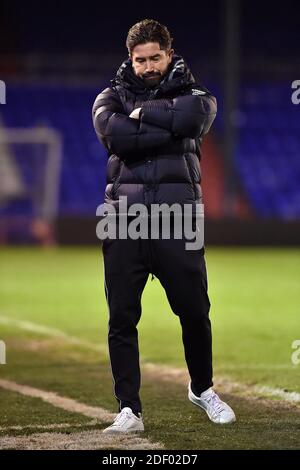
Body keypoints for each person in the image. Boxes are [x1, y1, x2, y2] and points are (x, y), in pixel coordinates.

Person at [92, 19, 236, 433]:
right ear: (130, 59)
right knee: (121, 316)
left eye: (156, 57)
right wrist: (167, 124)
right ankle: (129, 410)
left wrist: (141, 116)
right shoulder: (110, 95)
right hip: (124, 221)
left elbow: (194, 119)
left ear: (169, 54)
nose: (148, 65)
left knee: (195, 311)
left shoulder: (197, 94)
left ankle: (202, 388)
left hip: (179, 220)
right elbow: (115, 136)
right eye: (141, 60)